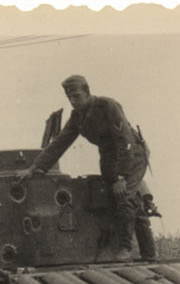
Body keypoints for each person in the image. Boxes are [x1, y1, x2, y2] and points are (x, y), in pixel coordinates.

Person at [16, 75, 158, 260]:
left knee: (123, 196)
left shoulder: (107, 106)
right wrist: (34, 168)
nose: (73, 101)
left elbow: (125, 141)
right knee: (124, 200)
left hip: (131, 155)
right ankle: (149, 253)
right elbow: (60, 142)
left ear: (87, 91)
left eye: (76, 95)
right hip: (109, 158)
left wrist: (121, 176)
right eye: (70, 97)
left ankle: (125, 248)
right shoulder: (77, 117)